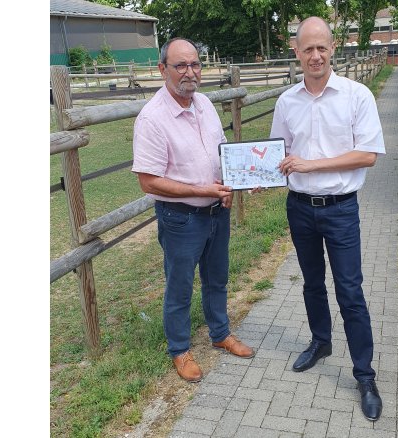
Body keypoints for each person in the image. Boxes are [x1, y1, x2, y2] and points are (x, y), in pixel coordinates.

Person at [269, 17, 386, 421]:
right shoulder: (287, 102)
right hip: (300, 208)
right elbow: (277, 153)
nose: (315, 55)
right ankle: (321, 342)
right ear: (296, 52)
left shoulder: (357, 96)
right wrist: (253, 175)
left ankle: (365, 375)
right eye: (307, 49)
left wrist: (312, 165)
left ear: (333, 48)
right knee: (312, 285)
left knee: (350, 292)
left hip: (340, 210)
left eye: (322, 47)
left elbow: (367, 154)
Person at [132, 37, 255, 383]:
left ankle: (220, 333)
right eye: (181, 65)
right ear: (162, 70)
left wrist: (230, 185)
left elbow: (222, 153)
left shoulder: (204, 104)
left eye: (195, 64)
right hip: (181, 218)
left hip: (217, 211)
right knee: (180, 286)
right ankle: (180, 349)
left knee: (217, 279)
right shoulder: (152, 119)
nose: (190, 72)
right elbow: (148, 181)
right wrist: (203, 189)